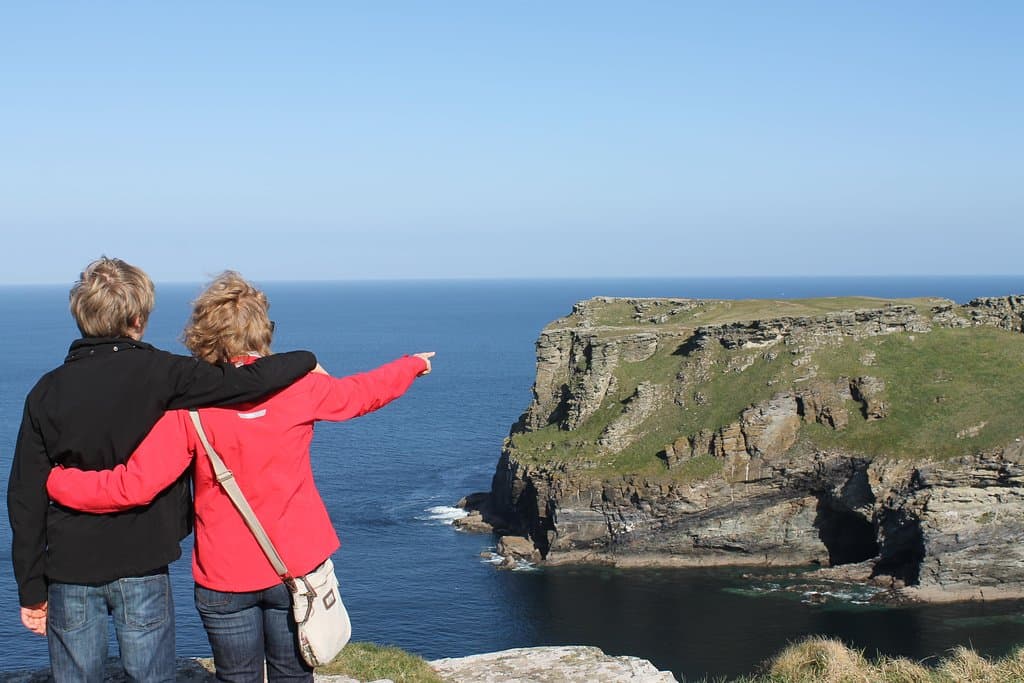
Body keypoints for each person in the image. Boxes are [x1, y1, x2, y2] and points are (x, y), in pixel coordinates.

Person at [46, 271, 434, 682]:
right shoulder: (300, 390)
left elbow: (132, 485)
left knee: (237, 677)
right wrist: (409, 366)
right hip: (297, 567)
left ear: (203, 333)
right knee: (293, 675)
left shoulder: (189, 409)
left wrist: (57, 481)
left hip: (225, 575)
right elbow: (360, 393)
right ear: (262, 329)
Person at [7, 257, 319, 682]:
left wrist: (31, 589)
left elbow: (25, 497)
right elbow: (246, 381)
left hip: (68, 567)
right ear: (139, 318)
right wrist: (305, 358)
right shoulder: (168, 374)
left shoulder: (46, 392)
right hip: (144, 559)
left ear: (81, 316)